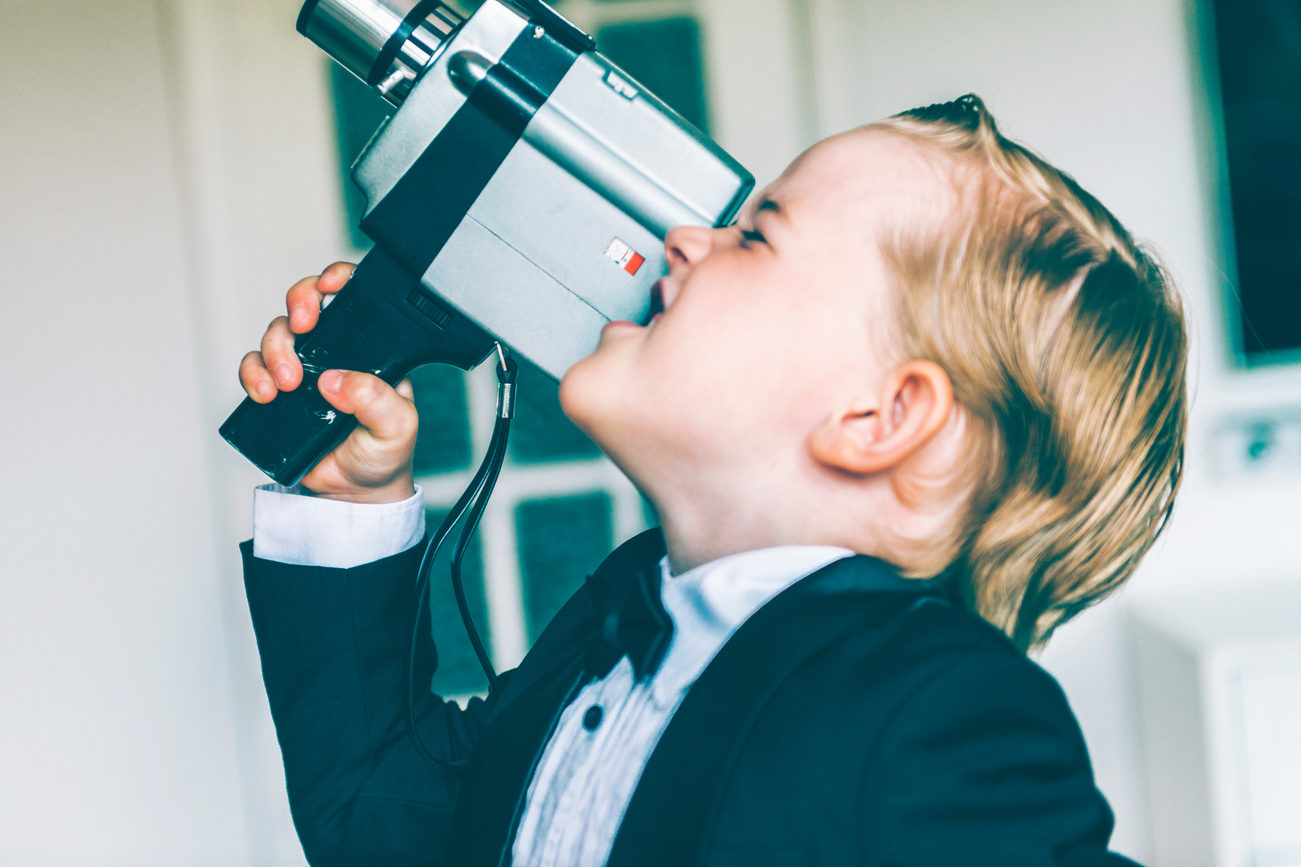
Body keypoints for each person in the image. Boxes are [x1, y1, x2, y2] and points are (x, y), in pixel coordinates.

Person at [236, 96, 1186, 866]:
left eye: (758, 236)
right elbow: (384, 825)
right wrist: (350, 503)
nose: (688, 238)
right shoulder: (614, 624)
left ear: (880, 418)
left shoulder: (937, 716)